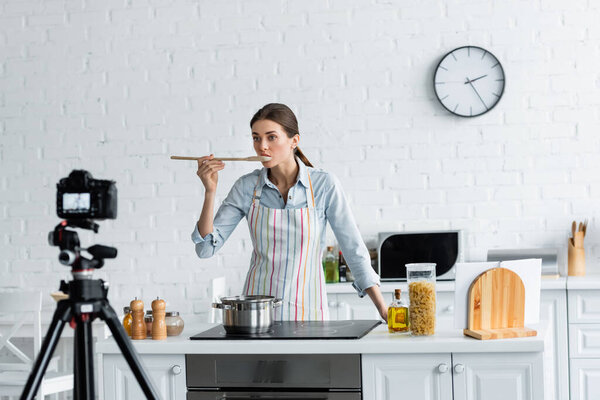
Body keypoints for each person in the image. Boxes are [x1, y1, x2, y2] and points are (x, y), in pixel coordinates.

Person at [192, 103, 388, 321]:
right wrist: (210, 191)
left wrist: (382, 308)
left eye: (271, 137)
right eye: (256, 138)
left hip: (309, 312)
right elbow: (205, 248)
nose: (262, 146)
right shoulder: (247, 187)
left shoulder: (324, 185)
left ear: (294, 140)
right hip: (257, 315)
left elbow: (353, 248)